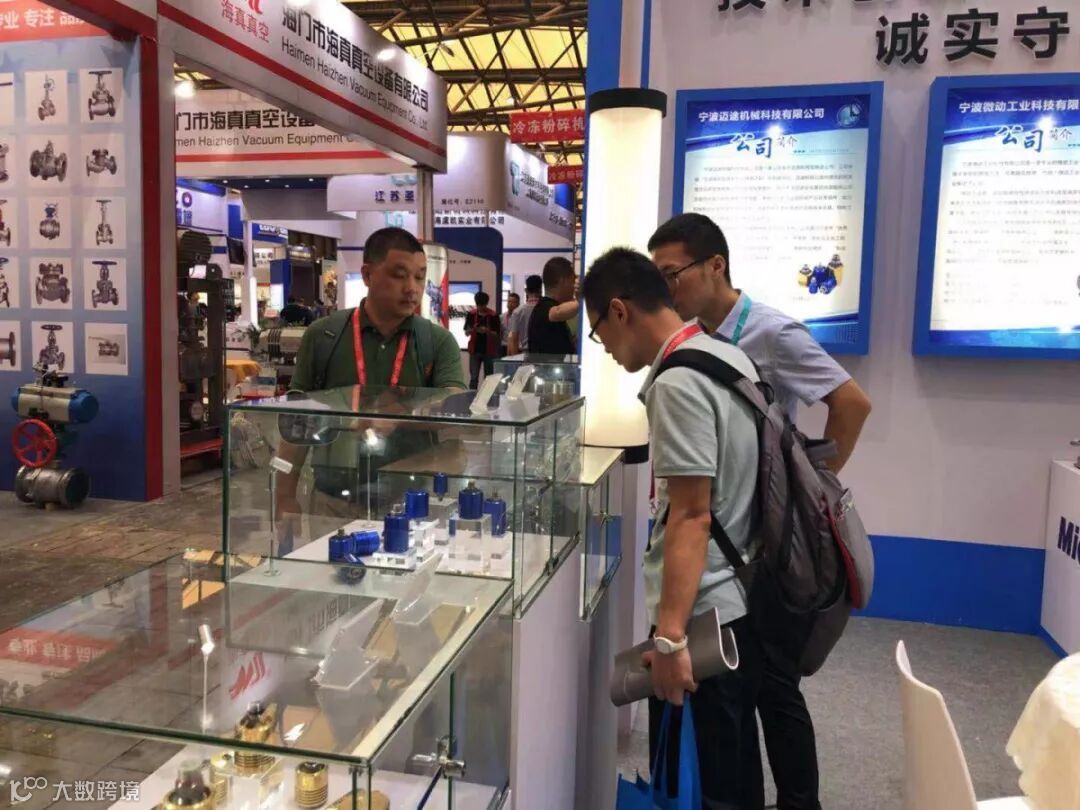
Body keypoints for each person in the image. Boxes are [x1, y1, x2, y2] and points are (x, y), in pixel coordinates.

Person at [649, 212, 873, 810]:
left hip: (767, 544)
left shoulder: (772, 334)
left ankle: (800, 803)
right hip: (731, 543)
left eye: (671, 274)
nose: (665, 289)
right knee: (745, 683)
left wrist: (812, 485)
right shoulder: (693, 337)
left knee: (776, 684)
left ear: (715, 266)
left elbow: (852, 403)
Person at [583, 247, 764, 809]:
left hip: (700, 620)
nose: (605, 349)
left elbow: (690, 515)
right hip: (736, 602)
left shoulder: (678, 383)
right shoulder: (725, 356)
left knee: (701, 786)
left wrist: (668, 639)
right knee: (731, 779)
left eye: (599, 333)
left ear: (620, 311)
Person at [276, 228, 466, 527]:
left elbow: (455, 408)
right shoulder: (324, 336)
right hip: (333, 502)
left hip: (412, 503)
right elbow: (298, 423)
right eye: (399, 275)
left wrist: (397, 416)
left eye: (420, 277)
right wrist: (285, 495)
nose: (412, 288)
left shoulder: (437, 342)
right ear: (367, 275)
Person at [526, 257, 578, 356]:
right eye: (573, 280)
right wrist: (585, 301)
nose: (574, 286)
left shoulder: (543, 306)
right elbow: (557, 312)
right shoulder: (545, 307)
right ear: (563, 281)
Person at [464, 291, 501, 389]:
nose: (480, 307)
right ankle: (471, 396)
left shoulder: (493, 315)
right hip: (474, 350)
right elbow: (466, 332)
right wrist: (473, 329)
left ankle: (487, 397)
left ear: (486, 303)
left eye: (482, 305)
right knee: (473, 377)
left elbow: (497, 334)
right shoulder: (471, 314)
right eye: (478, 305)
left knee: (489, 378)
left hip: (489, 351)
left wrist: (487, 331)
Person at [507, 274, 542, 355]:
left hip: (526, 353)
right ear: (540, 290)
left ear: (526, 290)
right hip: (545, 354)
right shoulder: (548, 309)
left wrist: (514, 358)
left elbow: (514, 339)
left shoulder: (518, 311)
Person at [501, 292, 520, 356]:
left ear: (518, 304)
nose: (510, 304)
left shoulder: (520, 317)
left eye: (513, 302)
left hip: (516, 347)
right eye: (509, 301)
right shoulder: (502, 317)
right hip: (504, 346)